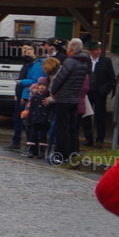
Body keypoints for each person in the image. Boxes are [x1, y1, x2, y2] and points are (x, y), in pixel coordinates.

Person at [45, 37, 90, 165]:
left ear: (71, 48)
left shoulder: (70, 62)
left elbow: (60, 79)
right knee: (72, 128)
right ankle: (73, 153)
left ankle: (61, 154)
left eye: (68, 47)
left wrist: (53, 90)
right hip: (75, 98)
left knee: (62, 128)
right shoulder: (84, 62)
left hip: (64, 98)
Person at [5, 45, 46, 153]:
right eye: (24, 49)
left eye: (29, 49)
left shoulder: (37, 64)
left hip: (29, 95)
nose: (26, 51)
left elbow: (35, 81)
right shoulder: (28, 63)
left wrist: (22, 82)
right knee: (19, 119)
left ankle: (31, 147)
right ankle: (17, 143)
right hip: (22, 93)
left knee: (28, 122)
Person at [84, 41, 116, 147]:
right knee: (86, 115)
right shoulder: (86, 61)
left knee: (100, 116)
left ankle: (100, 139)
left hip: (99, 93)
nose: (98, 51)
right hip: (87, 92)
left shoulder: (106, 61)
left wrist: (105, 90)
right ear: (91, 51)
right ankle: (88, 138)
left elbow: (111, 78)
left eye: (99, 50)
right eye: (96, 50)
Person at [22, 78, 53, 158]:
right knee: (33, 135)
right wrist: (28, 118)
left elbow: (50, 110)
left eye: (44, 85)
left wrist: (49, 118)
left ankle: (42, 151)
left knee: (42, 135)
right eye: (40, 85)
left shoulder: (48, 97)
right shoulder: (34, 97)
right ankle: (32, 150)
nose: (42, 87)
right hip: (34, 118)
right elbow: (31, 108)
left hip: (44, 119)